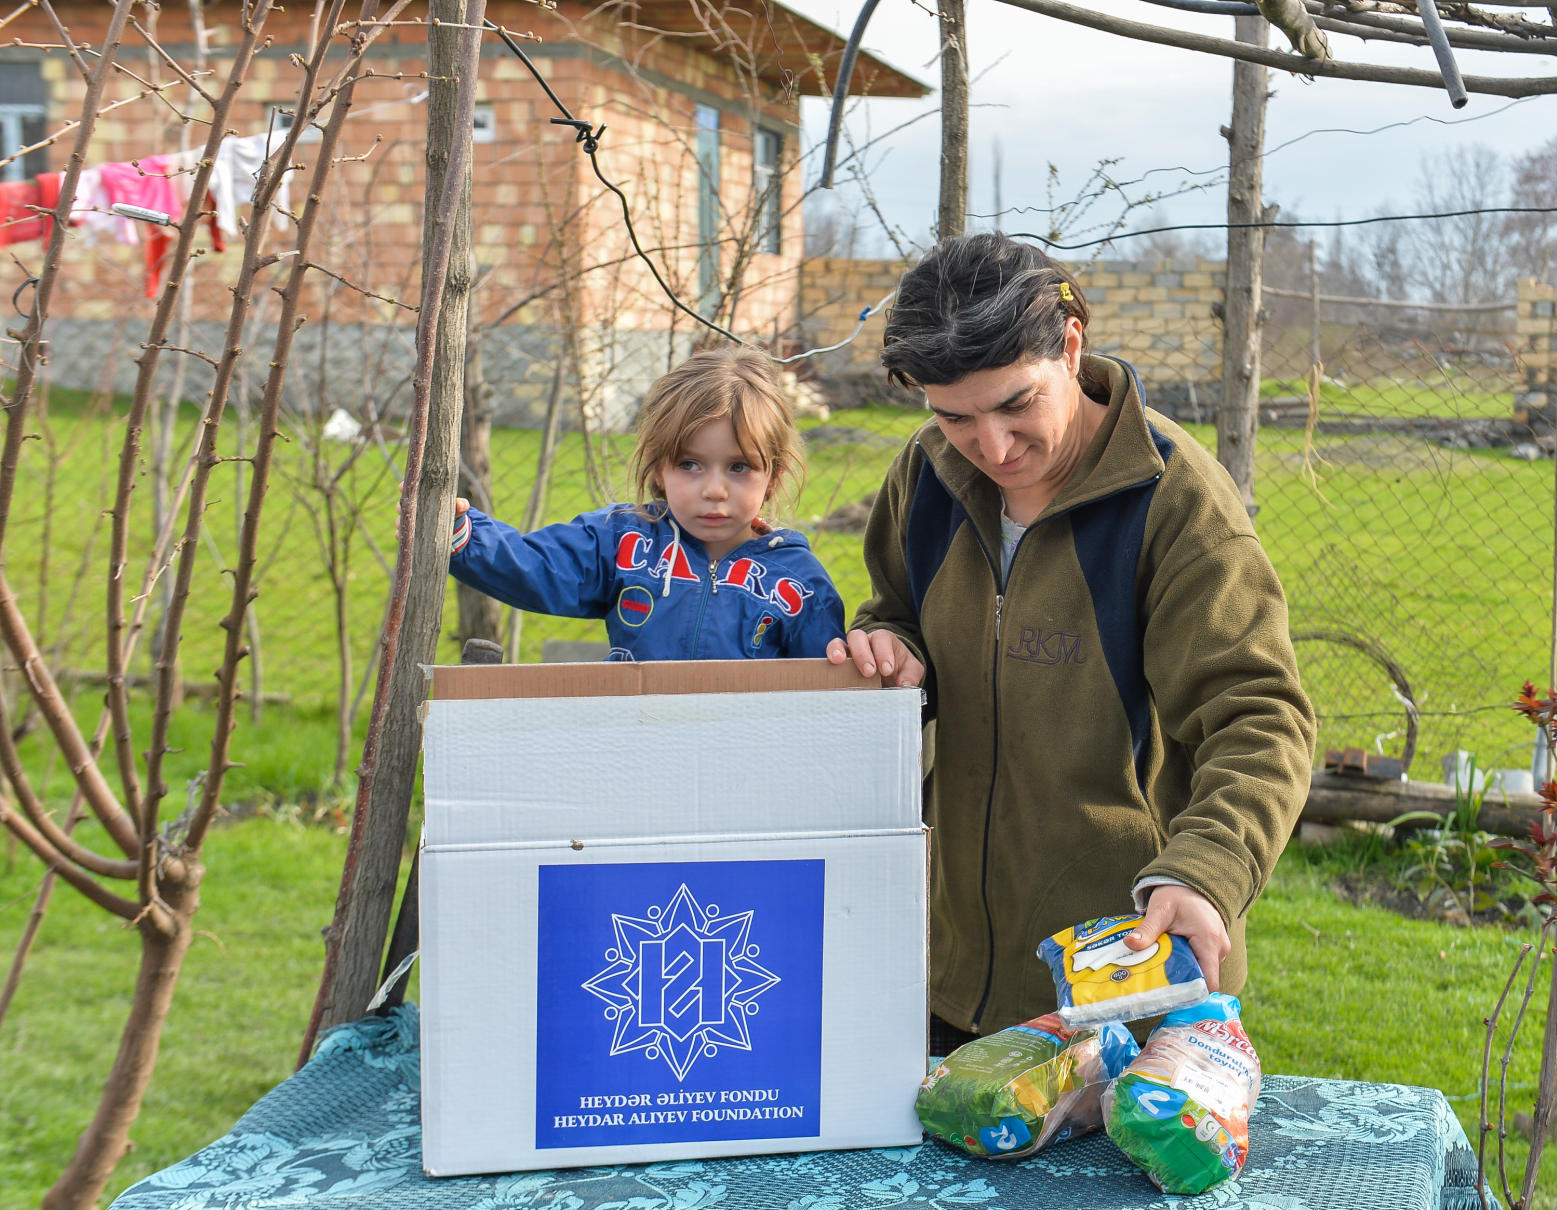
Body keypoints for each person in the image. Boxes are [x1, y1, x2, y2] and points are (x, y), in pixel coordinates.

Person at [827, 233, 1315, 1046]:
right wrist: (887, 647)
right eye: (955, 416)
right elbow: (898, 611)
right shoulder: (926, 473)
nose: (992, 447)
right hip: (946, 974)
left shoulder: (1176, 502)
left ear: (1072, 346)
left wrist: (1208, 870)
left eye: (1018, 403)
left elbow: (1260, 715)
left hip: (1129, 982)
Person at [450, 345, 846, 660]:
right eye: (689, 464)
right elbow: (537, 568)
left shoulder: (800, 584)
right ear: (659, 469)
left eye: (739, 467)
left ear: (772, 477)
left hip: (744, 755)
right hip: (633, 748)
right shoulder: (622, 542)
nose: (714, 490)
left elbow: (826, 698)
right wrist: (460, 534)